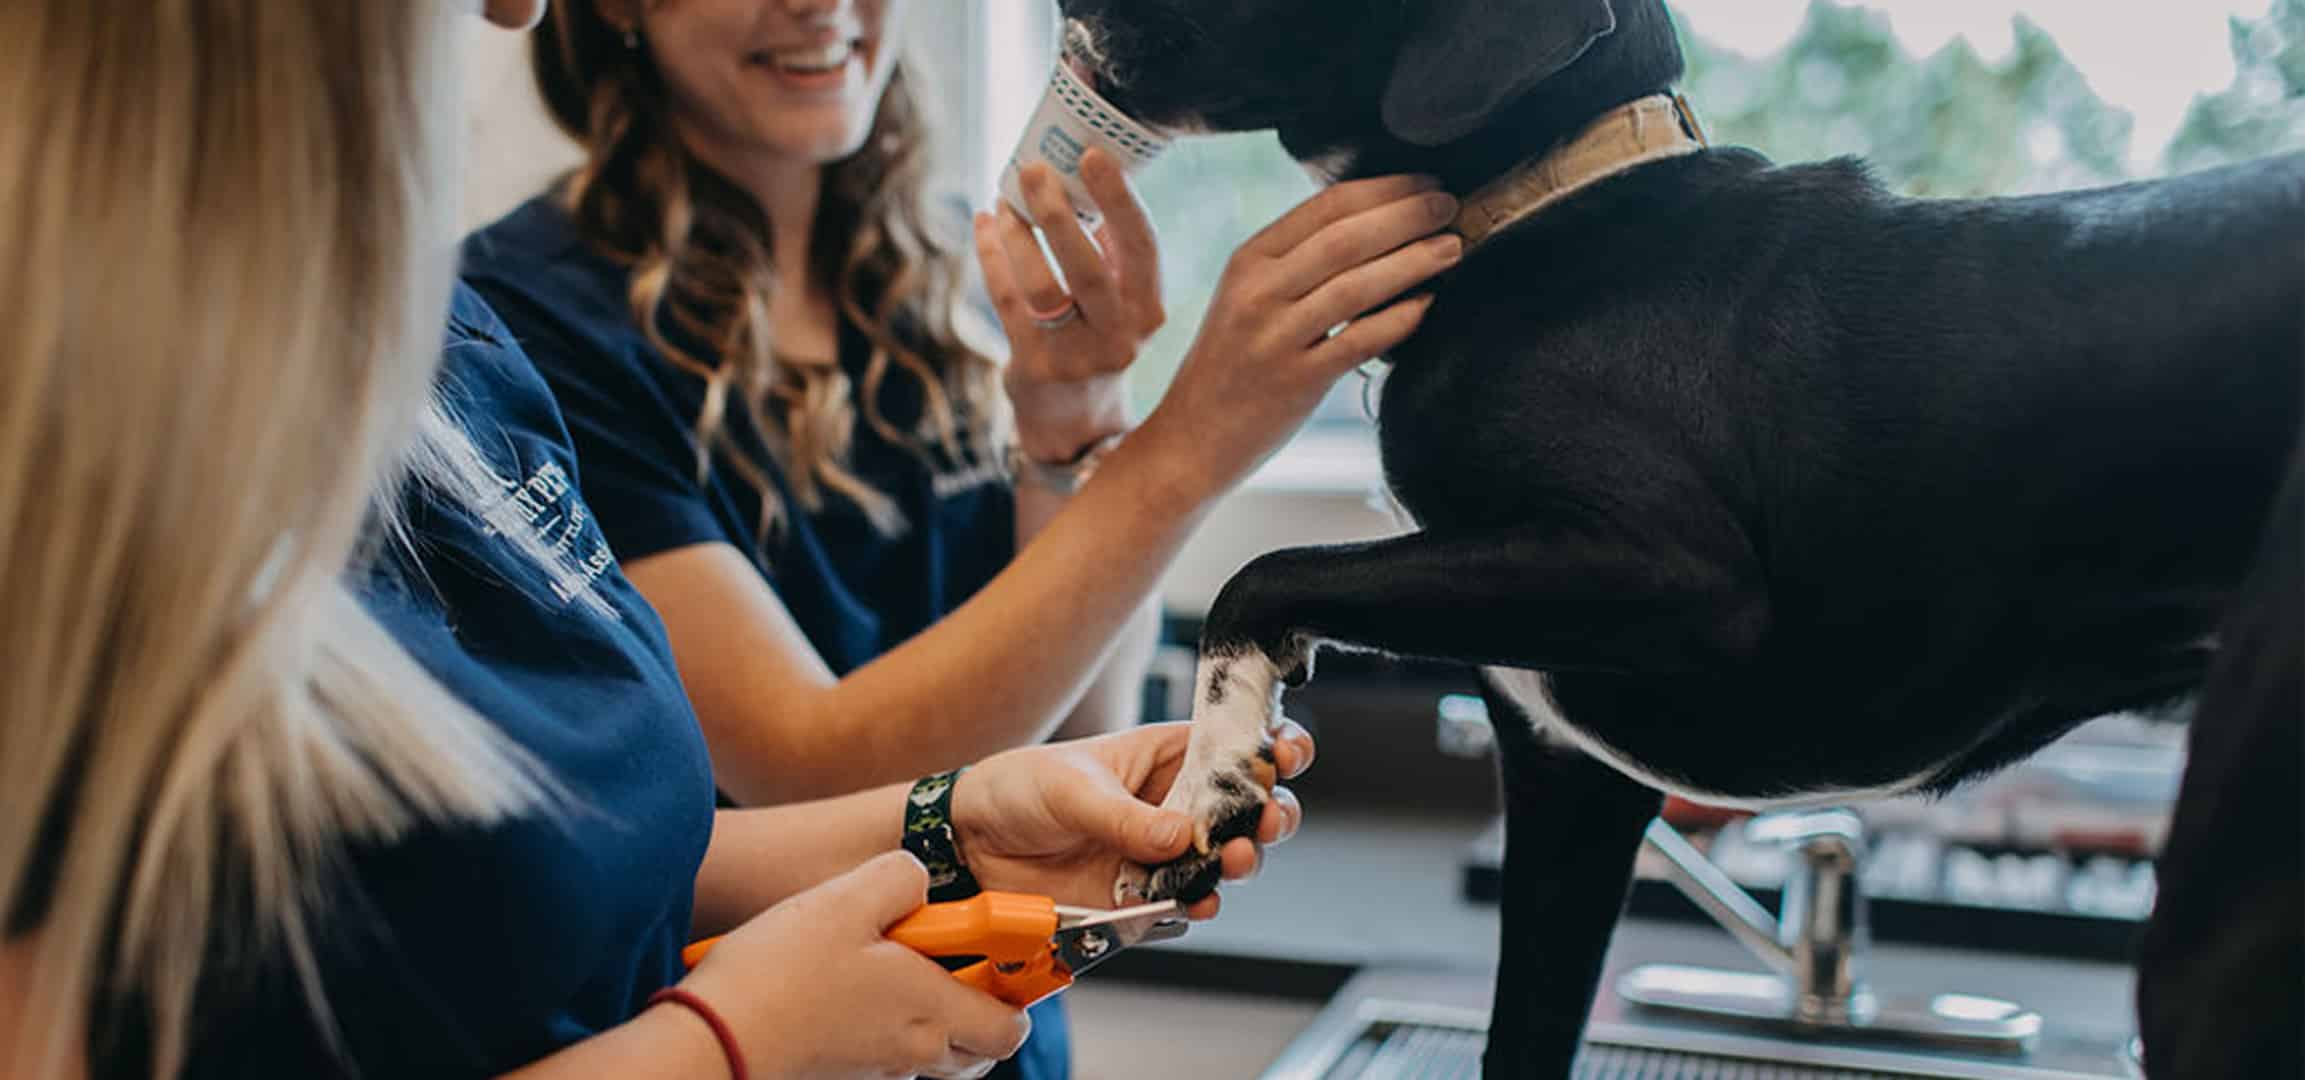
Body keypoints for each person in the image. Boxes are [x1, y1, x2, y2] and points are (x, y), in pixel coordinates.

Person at [0, 2, 1306, 1077]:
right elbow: (795, 758)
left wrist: (952, 819)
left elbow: (584, 844)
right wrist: (1176, 461)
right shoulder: (541, 311)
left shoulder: (453, 351)